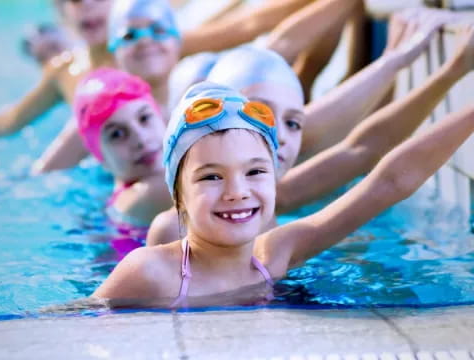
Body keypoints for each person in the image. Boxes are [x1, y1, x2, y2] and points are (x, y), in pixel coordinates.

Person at [93, 80, 474, 308]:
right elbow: (74, 323)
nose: (236, 192)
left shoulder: (274, 255)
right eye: (211, 177)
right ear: (178, 197)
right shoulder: (150, 272)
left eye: (255, 171)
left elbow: (386, 185)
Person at [147, 9, 471, 245]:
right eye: (260, 115)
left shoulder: (275, 212)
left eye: (294, 123)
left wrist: (452, 70)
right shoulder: (173, 225)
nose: (280, 136)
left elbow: (366, 153)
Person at [33, 0, 362, 173]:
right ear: (114, 49)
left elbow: (280, 43)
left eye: (158, 31)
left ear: (178, 42)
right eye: (131, 35)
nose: (146, 42)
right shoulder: (106, 114)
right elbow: (41, 176)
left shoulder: (196, 92)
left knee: (291, 87)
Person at [0, 0, 115, 137]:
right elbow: (9, 122)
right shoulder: (64, 71)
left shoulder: (139, 53)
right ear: (63, 14)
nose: (87, 4)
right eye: (75, 0)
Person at [73, 68, 172, 227]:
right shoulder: (145, 196)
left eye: (144, 118)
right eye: (117, 134)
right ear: (101, 157)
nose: (141, 138)